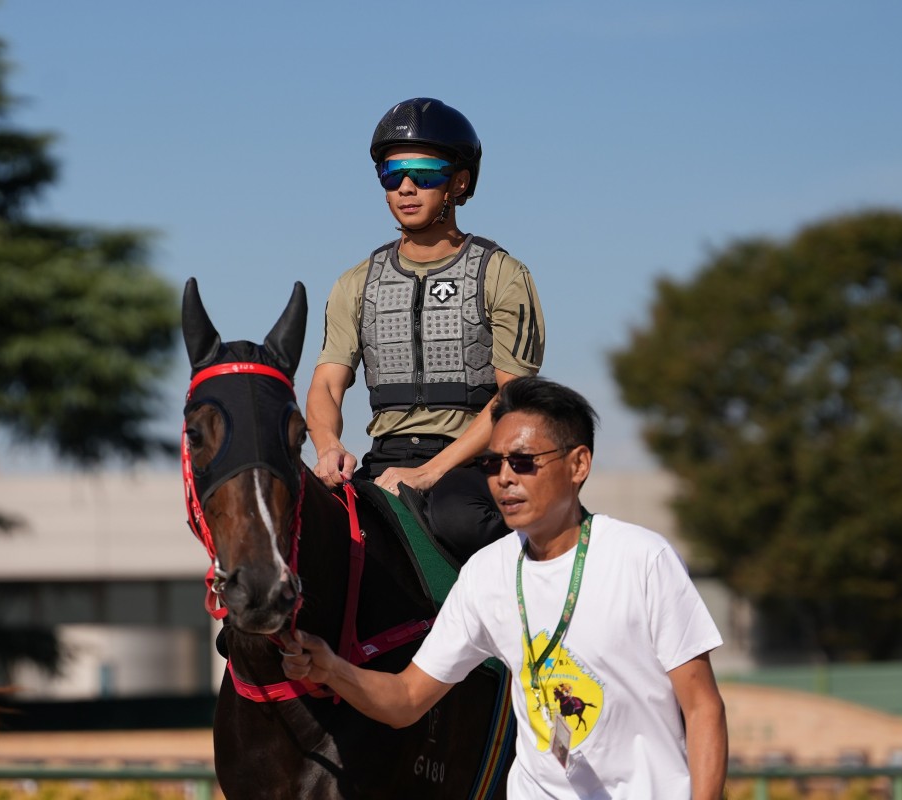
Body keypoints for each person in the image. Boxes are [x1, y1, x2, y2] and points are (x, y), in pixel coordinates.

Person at [284, 377, 728, 798]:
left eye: (523, 462)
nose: (503, 478)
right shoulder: (485, 574)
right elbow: (406, 699)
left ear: (578, 465)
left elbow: (703, 708)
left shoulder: (642, 559)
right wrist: (329, 667)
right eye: (492, 464)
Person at [307, 97, 545, 562]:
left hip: (476, 462)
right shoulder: (356, 283)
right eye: (393, 176)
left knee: (462, 520)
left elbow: (516, 398)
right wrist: (328, 446)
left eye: (426, 174)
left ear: (458, 183)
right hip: (385, 457)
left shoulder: (502, 274)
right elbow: (327, 387)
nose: (407, 188)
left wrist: (430, 473)